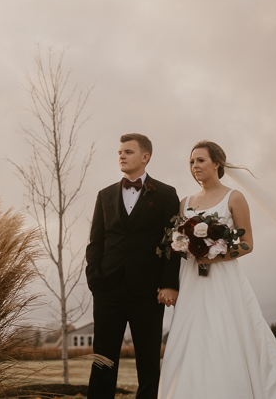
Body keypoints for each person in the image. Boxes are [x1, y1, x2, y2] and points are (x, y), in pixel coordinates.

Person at [158, 140, 276, 398]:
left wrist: (215, 254)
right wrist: (187, 246)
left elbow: (247, 244)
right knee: (191, 336)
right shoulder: (184, 203)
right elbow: (176, 244)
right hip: (192, 280)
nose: (194, 166)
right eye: (191, 162)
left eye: (200, 160)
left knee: (225, 334)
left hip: (223, 279)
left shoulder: (233, 197)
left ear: (217, 163)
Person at [85, 133, 181, 399]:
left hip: (148, 291)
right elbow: (96, 241)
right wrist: (94, 277)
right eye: (119, 153)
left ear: (145, 157)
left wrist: (170, 283)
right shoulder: (104, 195)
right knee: (103, 358)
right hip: (108, 287)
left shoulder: (166, 193)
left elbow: (174, 242)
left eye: (127, 152)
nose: (121, 156)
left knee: (148, 361)